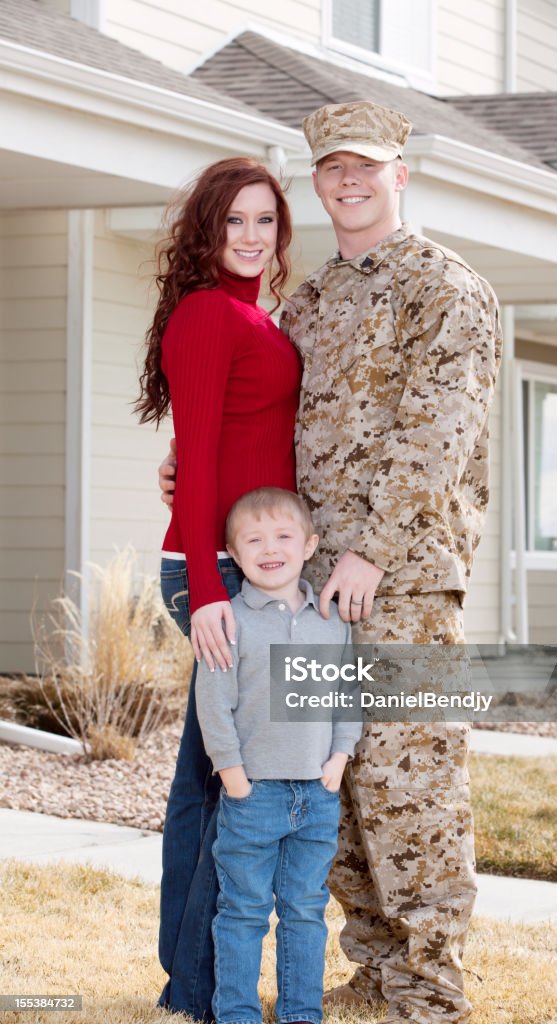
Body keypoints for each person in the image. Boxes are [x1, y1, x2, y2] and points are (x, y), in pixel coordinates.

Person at [160, 100, 502, 1024]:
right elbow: (261, 411)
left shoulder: (443, 285)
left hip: (404, 580)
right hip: (302, 584)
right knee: (331, 785)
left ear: (401, 173)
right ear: (318, 181)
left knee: (413, 782)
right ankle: (376, 968)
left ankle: (429, 987)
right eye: (332, 169)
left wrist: (370, 552)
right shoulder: (307, 299)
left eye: (367, 166)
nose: (349, 181)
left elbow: (438, 433)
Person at [135, 158, 301, 1022]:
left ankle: (184, 980)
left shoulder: (252, 315)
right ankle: (196, 987)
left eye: (265, 221)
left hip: (234, 566)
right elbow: (195, 456)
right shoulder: (208, 313)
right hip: (218, 576)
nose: (249, 236)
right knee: (232, 787)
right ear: (206, 228)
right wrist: (208, 589)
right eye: (233, 220)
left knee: (203, 782)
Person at [195, 486, 362, 1024]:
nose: (271, 548)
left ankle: (300, 1013)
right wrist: (234, 777)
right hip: (254, 795)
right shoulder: (231, 622)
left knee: (305, 912)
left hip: (316, 795)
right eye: (254, 540)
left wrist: (339, 759)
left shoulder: (331, 621)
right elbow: (213, 704)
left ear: (309, 545)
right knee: (242, 912)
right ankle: (237, 1014)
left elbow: (347, 696)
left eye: (283, 536)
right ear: (235, 554)